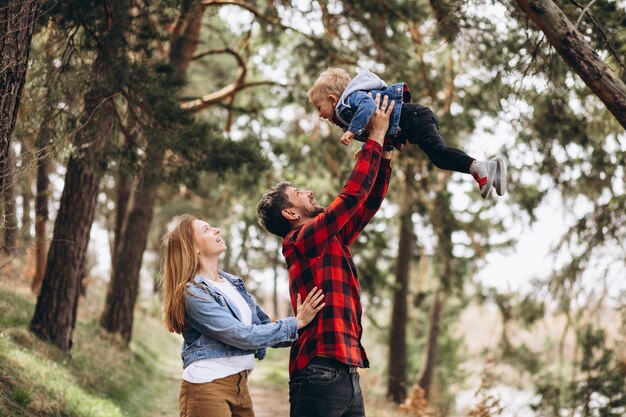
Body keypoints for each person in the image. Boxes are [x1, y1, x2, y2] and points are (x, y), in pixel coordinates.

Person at [256, 94, 394, 417]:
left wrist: (385, 152)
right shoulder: (300, 241)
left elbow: (364, 206)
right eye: (299, 193)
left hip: (348, 373)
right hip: (317, 372)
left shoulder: (327, 239)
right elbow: (349, 198)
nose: (309, 192)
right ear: (290, 212)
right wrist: (372, 138)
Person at [161, 214, 325, 417]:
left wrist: (308, 328)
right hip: (206, 388)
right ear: (193, 247)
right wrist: (296, 323)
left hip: (240, 386)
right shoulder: (192, 293)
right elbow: (242, 335)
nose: (217, 230)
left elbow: (263, 327)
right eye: (206, 230)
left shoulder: (232, 284)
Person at [307, 67, 507, 199]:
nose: (320, 115)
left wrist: (352, 131)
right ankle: (491, 170)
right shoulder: (349, 114)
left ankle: (479, 168)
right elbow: (380, 129)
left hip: (414, 118)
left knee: (438, 152)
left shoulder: (349, 102)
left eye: (319, 107)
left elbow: (368, 106)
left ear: (333, 99)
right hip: (414, 120)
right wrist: (367, 147)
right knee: (437, 156)